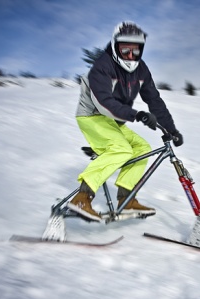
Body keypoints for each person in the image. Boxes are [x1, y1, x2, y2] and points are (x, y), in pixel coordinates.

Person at [68, 21, 183, 222]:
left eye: (135, 51)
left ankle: (126, 199)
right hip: (93, 115)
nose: (130, 55)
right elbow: (104, 103)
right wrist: (136, 115)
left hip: (115, 121)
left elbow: (154, 100)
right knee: (121, 149)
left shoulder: (142, 71)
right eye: (125, 49)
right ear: (115, 46)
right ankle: (82, 197)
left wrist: (172, 130)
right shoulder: (102, 67)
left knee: (142, 148)